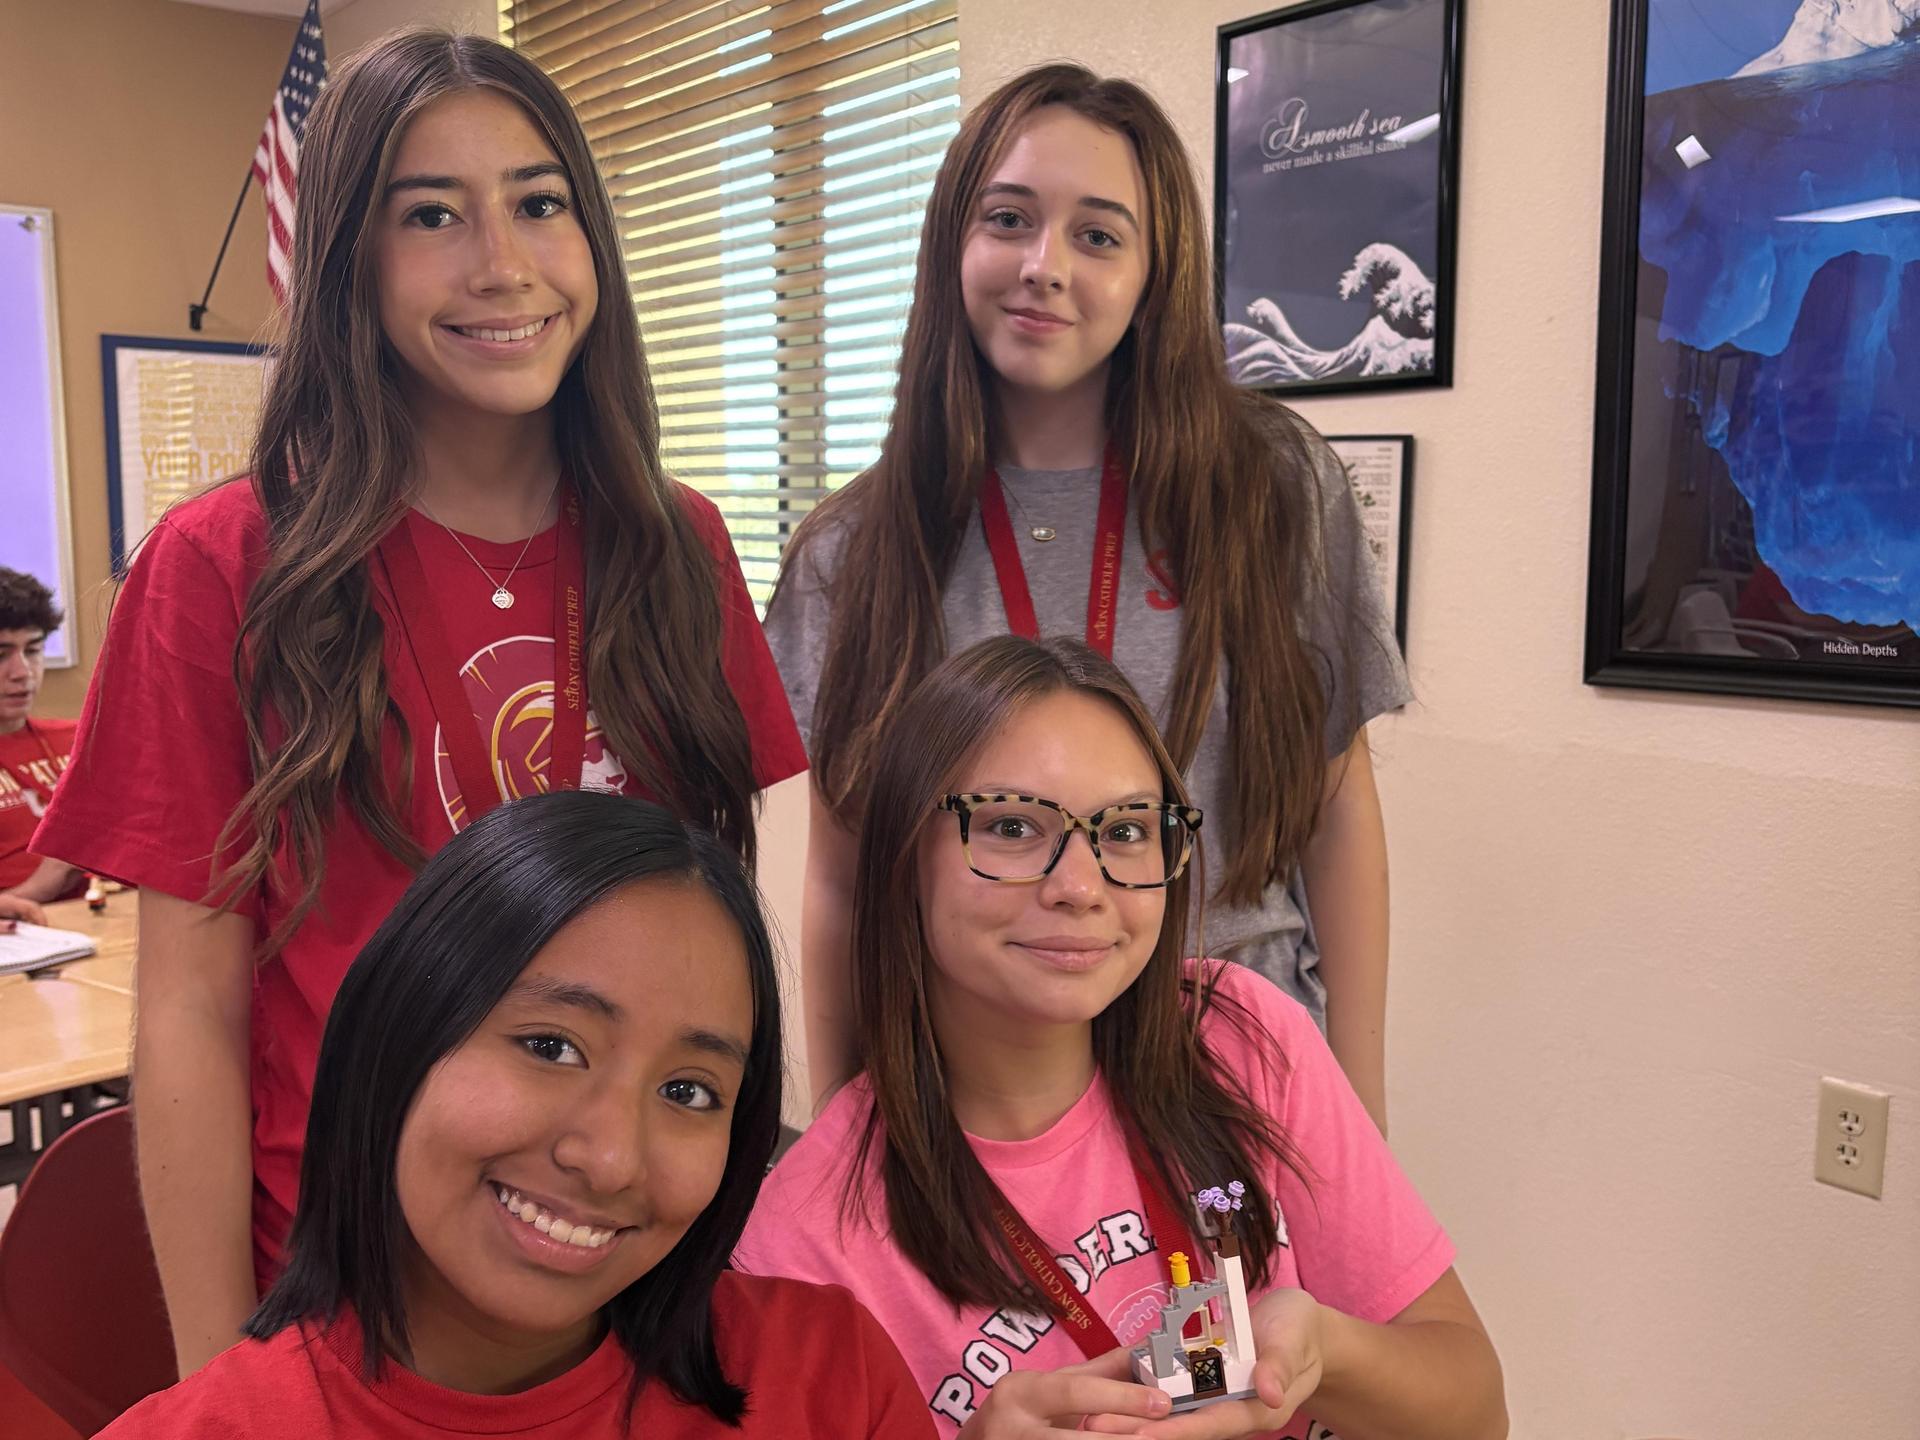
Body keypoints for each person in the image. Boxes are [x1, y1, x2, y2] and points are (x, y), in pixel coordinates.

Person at [32, 30, 805, 1379]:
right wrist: (229, 1375)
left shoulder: (676, 548)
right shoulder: (225, 564)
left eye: (539, 201)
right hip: (346, 1294)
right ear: (349, 264)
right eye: (431, 215)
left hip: (617, 1267)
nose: (500, 263)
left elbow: (716, 938)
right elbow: (192, 1014)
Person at [764, 64, 1409, 1130]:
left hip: (1232, 1076)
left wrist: (1360, 1118)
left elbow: (1336, 812)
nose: (1043, 267)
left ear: (1157, 273)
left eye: (1099, 236)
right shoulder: (856, 546)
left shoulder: (1270, 489)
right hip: (965, 1099)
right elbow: (838, 879)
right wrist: (837, 1139)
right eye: (1008, 219)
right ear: (950, 245)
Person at [737, 637, 1504, 1440]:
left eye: (1128, 831)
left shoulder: (1243, 1040)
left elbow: (1478, 1412)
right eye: (1010, 825)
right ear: (904, 855)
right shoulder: (803, 1238)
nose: (1080, 886)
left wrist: (1321, 1346)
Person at [97, 790, 931, 1438]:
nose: (610, 1159)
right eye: (551, 1047)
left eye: (689, 1092)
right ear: (398, 1038)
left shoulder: (827, 1379)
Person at [0, 567, 83, 914]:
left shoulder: (76, 738)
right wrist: (37, 888)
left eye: (33, 650)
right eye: (1, 654)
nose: (22, 672)